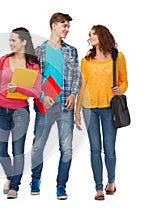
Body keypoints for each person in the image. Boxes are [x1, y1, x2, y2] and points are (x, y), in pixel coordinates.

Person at [30, 12, 81, 200]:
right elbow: (33, 79)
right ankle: (35, 180)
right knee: (37, 146)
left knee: (66, 148)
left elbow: (77, 76)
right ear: (53, 25)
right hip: (45, 106)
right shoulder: (38, 51)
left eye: (68, 27)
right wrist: (42, 96)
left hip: (65, 106)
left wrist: (74, 94)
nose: (66, 29)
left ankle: (61, 185)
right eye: (64, 26)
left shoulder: (72, 51)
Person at [74, 25, 128, 200]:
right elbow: (82, 86)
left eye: (93, 34)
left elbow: (124, 80)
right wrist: (77, 111)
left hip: (109, 108)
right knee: (95, 149)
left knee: (109, 149)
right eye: (89, 35)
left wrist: (120, 89)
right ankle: (98, 187)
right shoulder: (86, 60)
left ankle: (111, 182)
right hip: (90, 108)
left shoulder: (117, 57)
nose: (90, 37)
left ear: (102, 35)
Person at [0, 27, 41, 199]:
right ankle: (10, 176)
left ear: (24, 42)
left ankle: (14, 186)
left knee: (18, 150)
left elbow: (36, 92)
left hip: (20, 111)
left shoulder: (32, 65)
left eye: (14, 40)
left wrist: (19, 88)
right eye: (10, 40)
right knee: (0, 149)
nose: (11, 43)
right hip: (1, 110)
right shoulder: (4, 60)